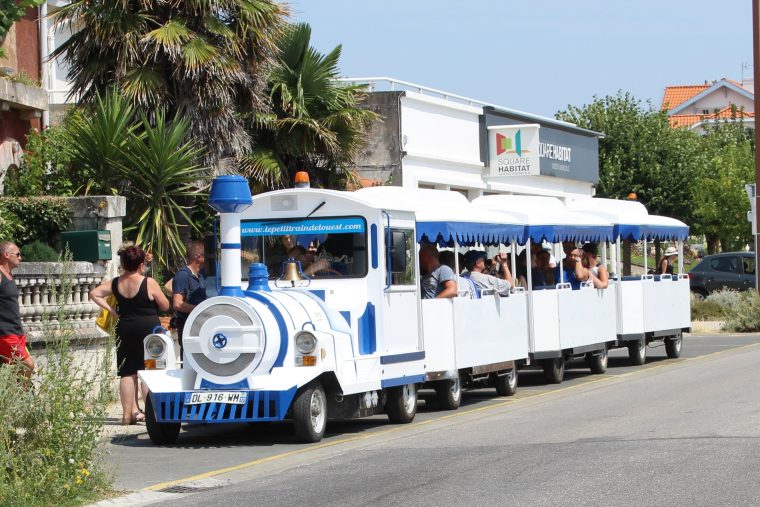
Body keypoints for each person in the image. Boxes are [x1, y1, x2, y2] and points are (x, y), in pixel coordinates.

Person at [91, 246, 170, 425]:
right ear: (141, 264)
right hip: (148, 329)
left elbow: (94, 293)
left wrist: (113, 310)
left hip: (125, 326)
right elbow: (165, 306)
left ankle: (127, 415)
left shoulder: (116, 282)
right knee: (150, 370)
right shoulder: (148, 282)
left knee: (127, 372)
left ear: (123, 263)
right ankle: (152, 414)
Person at [0, 242, 34, 377]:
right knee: (27, 364)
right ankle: (23, 396)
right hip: (5, 333)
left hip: (17, 332)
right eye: (18, 254)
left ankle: (13, 395)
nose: (20, 258)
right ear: (6, 255)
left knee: (15, 371)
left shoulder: (9, 275)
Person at [171, 242, 207, 359]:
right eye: (205, 255)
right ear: (198, 257)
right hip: (187, 325)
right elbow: (177, 303)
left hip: (199, 325)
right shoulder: (183, 276)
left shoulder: (199, 276)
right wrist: (200, 310)